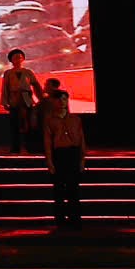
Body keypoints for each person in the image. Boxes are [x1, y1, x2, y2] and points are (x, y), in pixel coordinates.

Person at [41, 83, 86, 228]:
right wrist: (50, 162)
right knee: (59, 190)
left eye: (65, 99)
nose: (62, 102)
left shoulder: (75, 120)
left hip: (73, 154)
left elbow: (81, 140)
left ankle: (75, 220)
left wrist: (82, 159)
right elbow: (47, 143)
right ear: (54, 102)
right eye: (59, 99)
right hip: (59, 155)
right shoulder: (50, 121)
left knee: (74, 190)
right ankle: (60, 221)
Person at [0, 48, 42, 155]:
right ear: (11, 60)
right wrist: (5, 102)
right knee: (14, 125)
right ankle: (15, 148)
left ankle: (30, 147)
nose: (18, 59)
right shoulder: (8, 73)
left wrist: (41, 99)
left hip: (27, 100)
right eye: (15, 57)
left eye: (20, 57)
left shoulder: (28, 72)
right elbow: (5, 88)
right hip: (14, 100)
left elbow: (36, 86)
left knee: (29, 125)